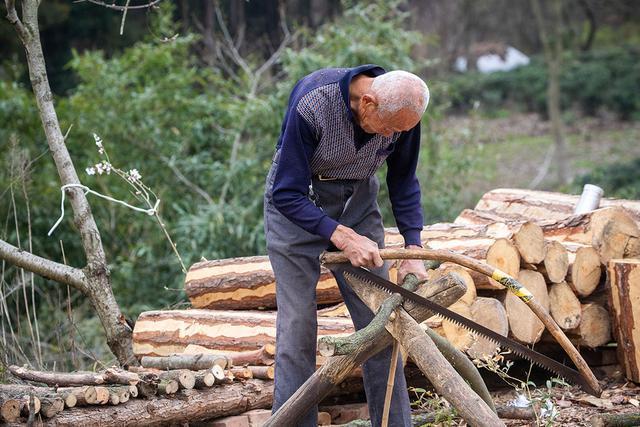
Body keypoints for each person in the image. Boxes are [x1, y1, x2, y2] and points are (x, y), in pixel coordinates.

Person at [264, 64, 430, 426]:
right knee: (297, 328)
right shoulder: (313, 103)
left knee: (382, 323)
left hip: (357, 202)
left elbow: (403, 180)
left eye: (398, 131)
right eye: (387, 127)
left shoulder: (401, 114)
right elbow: (286, 191)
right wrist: (340, 234)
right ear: (367, 102)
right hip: (297, 205)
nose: (390, 137)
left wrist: (414, 248)